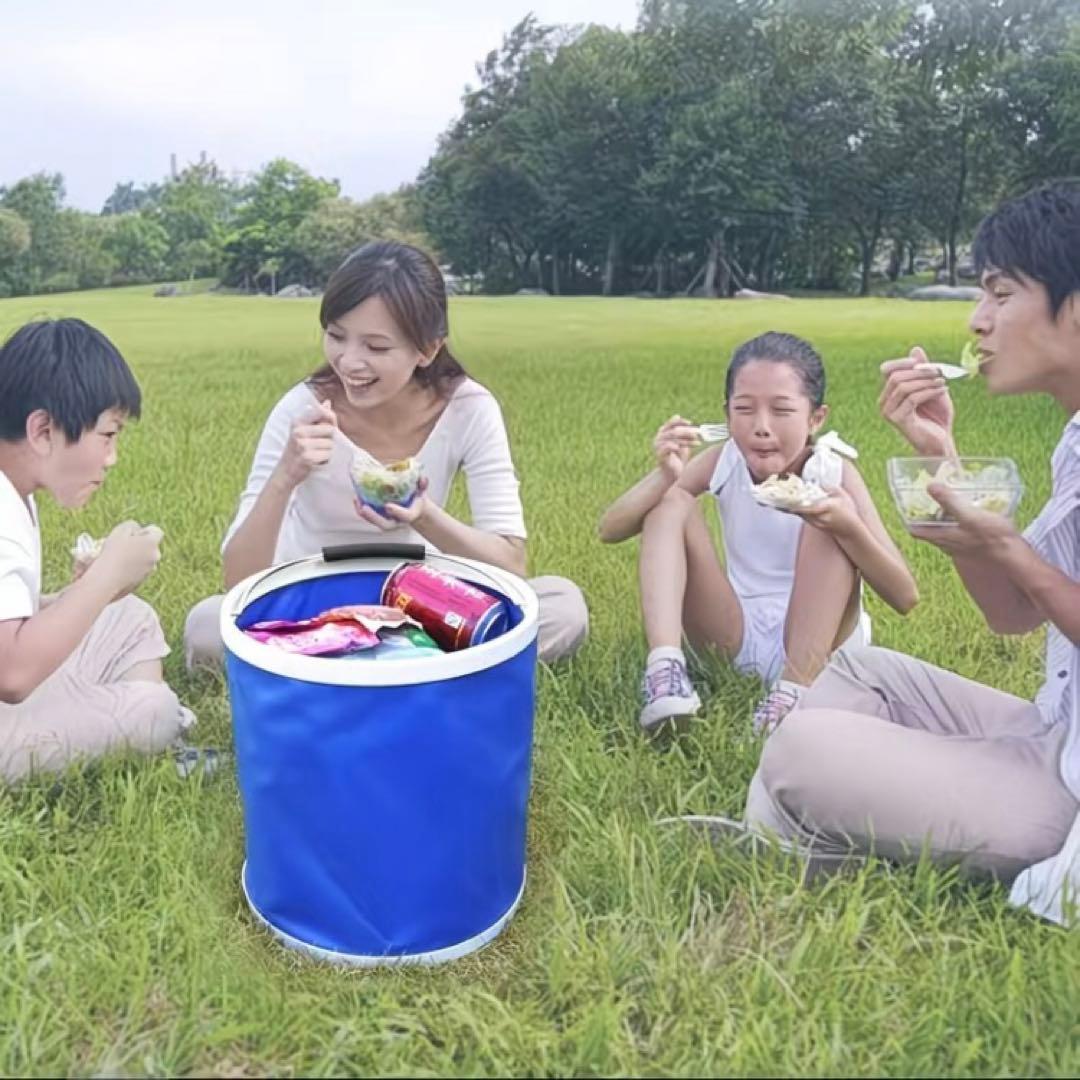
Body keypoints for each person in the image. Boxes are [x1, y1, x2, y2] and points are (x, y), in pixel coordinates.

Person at [747, 181, 1080, 926]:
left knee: (801, 746)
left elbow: (1025, 579)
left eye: (1001, 294)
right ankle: (800, 829)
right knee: (859, 670)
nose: (977, 319)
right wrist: (942, 456)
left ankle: (797, 837)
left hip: (1071, 789)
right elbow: (1014, 615)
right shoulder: (1074, 439)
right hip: (1059, 727)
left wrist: (1010, 548)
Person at [184, 240, 588, 667]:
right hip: (310, 604)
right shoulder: (301, 410)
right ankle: (423, 673)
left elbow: (510, 565)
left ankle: (339, 673)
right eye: (336, 336)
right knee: (208, 625)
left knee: (561, 606)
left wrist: (423, 516)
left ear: (428, 349)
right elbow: (238, 580)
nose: (349, 362)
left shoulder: (469, 409)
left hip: (421, 602)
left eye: (376, 347)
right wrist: (286, 475)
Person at [599, 331, 918, 736]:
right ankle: (665, 669)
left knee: (830, 517)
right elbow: (610, 530)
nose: (761, 427)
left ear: (816, 418)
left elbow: (904, 596)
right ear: (727, 415)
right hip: (735, 632)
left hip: (820, 646)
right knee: (672, 500)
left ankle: (794, 693)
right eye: (744, 410)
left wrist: (848, 527)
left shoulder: (834, 473)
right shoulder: (724, 460)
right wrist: (665, 475)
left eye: (782, 410)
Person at [0, 319, 192, 782]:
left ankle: (122, 732)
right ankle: (144, 729)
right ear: (43, 430)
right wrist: (104, 578)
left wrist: (85, 595)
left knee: (129, 617)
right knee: (154, 711)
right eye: (108, 434)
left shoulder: (16, 491)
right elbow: (12, 675)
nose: (112, 457)